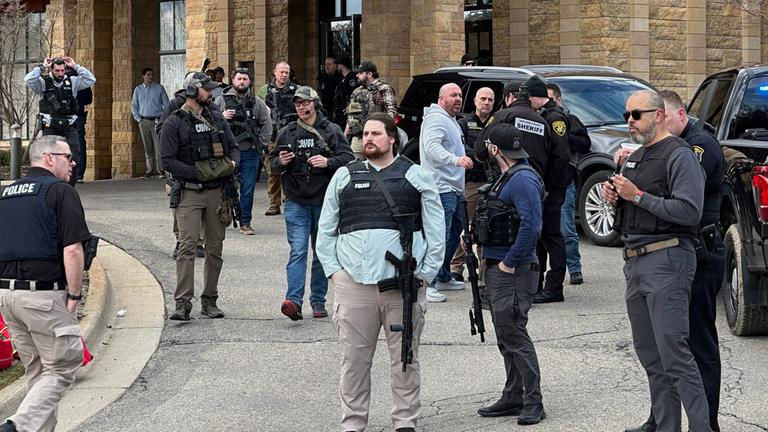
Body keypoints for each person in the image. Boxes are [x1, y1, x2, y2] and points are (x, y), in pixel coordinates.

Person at [316, 112, 445, 432]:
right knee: (354, 363)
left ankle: (405, 422)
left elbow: (436, 231)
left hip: (402, 287)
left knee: (405, 359)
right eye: (365, 134)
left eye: (376, 133)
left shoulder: (416, 176)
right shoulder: (345, 176)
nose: (368, 138)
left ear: (392, 138)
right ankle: (353, 423)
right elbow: (325, 231)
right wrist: (335, 273)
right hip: (354, 286)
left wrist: (426, 275)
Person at [602, 90, 712, 432]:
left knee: (675, 356)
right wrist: (618, 200)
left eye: (637, 114)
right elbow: (636, 207)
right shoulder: (637, 157)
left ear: (660, 115)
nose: (630, 122)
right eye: (627, 116)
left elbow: (689, 211)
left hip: (667, 259)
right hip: (635, 261)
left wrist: (638, 196)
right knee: (651, 356)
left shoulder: (679, 155)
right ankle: (666, 426)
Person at [0, 135, 92, 432]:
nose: (73, 162)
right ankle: (17, 425)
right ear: (49, 158)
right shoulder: (60, 191)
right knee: (64, 364)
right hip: (43, 296)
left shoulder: (6, 194)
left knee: (39, 372)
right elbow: (73, 248)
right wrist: (75, 294)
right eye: (68, 156)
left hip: (8, 297)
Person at [474, 123, 546, 425]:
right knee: (506, 335)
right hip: (497, 265)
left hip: (512, 271)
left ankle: (533, 401)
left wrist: (510, 262)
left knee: (515, 333)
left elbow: (531, 225)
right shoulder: (508, 177)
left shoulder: (522, 180)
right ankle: (513, 395)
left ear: (494, 149)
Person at [160, 72, 240, 321]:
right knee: (187, 247)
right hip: (189, 193)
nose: (212, 93)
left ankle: (210, 300)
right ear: (194, 91)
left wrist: (232, 165)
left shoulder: (217, 117)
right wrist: (197, 172)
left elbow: (234, 146)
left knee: (215, 248)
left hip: (217, 193)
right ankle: (183, 302)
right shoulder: (174, 122)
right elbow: (167, 160)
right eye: (207, 89)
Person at [270, 86, 353, 320]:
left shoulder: (332, 130)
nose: (301, 107)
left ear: (314, 103)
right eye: (297, 104)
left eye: (305, 103)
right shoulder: (287, 131)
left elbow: (348, 159)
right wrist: (281, 161)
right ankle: (293, 302)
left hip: (324, 202)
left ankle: (318, 301)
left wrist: (328, 162)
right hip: (296, 201)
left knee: (321, 252)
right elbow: (272, 164)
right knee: (298, 250)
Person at [518, 75, 571, 304]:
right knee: (540, 236)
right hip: (544, 187)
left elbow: (561, 156)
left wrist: (547, 186)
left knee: (551, 236)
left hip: (552, 187)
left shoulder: (554, 118)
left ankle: (554, 287)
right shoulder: (542, 116)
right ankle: (537, 283)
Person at [419, 83, 474, 302]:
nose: (458, 98)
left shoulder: (450, 120)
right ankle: (428, 283)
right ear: (442, 98)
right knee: (439, 235)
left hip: (454, 188)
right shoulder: (436, 118)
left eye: (460, 95)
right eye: (453, 95)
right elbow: (431, 147)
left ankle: (442, 275)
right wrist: (455, 160)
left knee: (455, 231)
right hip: (440, 188)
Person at [214, 68, 273, 235]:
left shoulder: (257, 102)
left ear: (250, 81)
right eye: (239, 78)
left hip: (250, 152)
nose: (242, 82)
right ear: (232, 80)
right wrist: (222, 116)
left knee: (247, 189)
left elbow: (267, 124)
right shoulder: (220, 101)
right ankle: (223, 217)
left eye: (245, 79)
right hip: (227, 153)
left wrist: (260, 144)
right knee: (224, 188)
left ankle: (245, 222)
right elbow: (210, 122)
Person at [24, 56, 96, 186]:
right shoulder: (42, 82)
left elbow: (91, 79)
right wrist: (43, 67)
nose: (60, 74)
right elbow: (28, 79)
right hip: (51, 125)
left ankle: (69, 187)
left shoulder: (72, 82)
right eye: (57, 71)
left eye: (62, 70)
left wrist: (75, 66)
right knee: (48, 157)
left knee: (74, 155)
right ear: (51, 70)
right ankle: (50, 186)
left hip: (69, 125)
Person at [157, 71, 206, 260]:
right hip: (176, 164)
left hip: (200, 164)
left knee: (201, 201)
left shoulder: (207, 107)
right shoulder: (174, 104)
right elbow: (162, 129)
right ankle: (181, 240)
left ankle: (199, 242)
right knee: (178, 203)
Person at [547, 83, 591, 286]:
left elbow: (584, 143)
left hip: (564, 181)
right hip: (544, 182)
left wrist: (562, 137)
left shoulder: (569, 119)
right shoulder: (540, 119)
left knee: (566, 228)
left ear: (558, 100)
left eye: (551, 100)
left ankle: (574, 268)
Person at [450, 87, 495, 283]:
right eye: (483, 99)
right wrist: (480, 155)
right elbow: (461, 148)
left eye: (490, 100)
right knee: (462, 226)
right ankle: (456, 267)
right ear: (475, 101)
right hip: (470, 182)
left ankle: (485, 269)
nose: (486, 103)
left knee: (488, 226)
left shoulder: (497, 122)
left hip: (491, 182)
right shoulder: (464, 123)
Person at [258, 61, 298, 216]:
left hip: (291, 136)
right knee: (273, 171)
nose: (284, 75)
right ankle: (274, 204)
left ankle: (288, 200)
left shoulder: (296, 90)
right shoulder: (265, 90)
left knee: (291, 169)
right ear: (275, 72)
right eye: (281, 72)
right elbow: (258, 110)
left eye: (287, 72)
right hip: (272, 136)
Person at [344, 61, 397, 159]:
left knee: (377, 165)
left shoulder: (383, 89)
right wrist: (345, 135)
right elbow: (350, 115)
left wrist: (384, 132)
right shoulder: (357, 91)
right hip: (358, 136)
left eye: (360, 73)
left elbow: (391, 111)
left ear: (369, 74)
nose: (357, 75)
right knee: (355, 167)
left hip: (377, 136)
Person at [132, 67, 170, 178]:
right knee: (147, 146)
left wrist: (163, 119)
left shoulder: (159, 88)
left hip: (157, 120)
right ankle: (149, 170)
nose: (150, 77)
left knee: (158, 146)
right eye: (148, 75)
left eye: (151, 75)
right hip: (144, 121)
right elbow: (134, 106)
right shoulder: (138, 90)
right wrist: (138, 120)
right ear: (143, 76)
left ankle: (161, 169)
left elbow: (166, 105)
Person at [332, 56, 357, 130]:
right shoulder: (342, 79)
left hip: (346, 113)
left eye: (338, 65)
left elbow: (351, 96)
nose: (337, 67)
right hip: (340, 113)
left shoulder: (351, 78)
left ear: (342, 65)